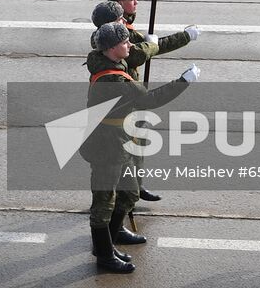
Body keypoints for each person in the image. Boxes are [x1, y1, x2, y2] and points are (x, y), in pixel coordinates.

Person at [83, 21, 198, 274]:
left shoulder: (110, 63)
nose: (129, 45)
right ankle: (104, 254)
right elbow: (150, 99)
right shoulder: (114, 79)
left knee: (129, 193)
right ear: (113, 48)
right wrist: (183, 81)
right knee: (103, 203)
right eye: (125, 42)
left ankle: (111, 244)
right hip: (107, 147)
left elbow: (139, 54)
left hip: (118, 141)